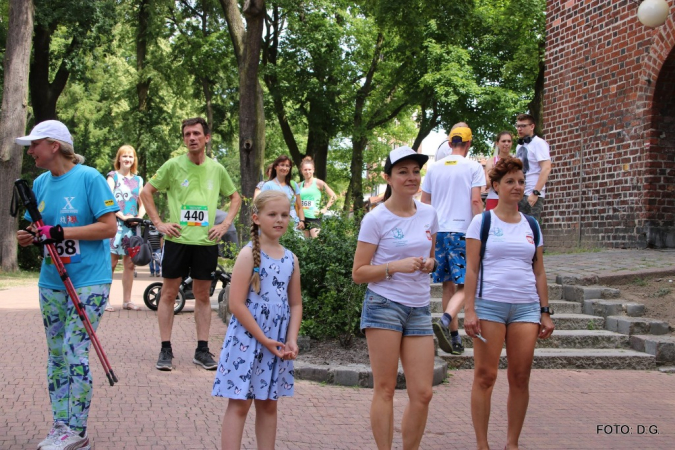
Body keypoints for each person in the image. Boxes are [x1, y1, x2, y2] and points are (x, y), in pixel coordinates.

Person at [15, 120, 118, 450]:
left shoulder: (89, 178)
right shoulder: (41, 182)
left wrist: (62, 233)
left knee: (75, 352)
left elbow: (108, 228)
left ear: (54, 146)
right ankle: (61, 425)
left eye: (35, 145)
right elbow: (39, 227)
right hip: (51, 282)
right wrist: (30, 236)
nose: (30, 151)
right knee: (57, 355)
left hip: (89, 281)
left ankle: (77, 430)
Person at [463, 156, 555, 450]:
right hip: (489, 305)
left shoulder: (532, 225)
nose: (517, 187)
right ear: (495, 186)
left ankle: (512, 443)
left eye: (520, 181)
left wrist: (545, 311)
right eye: (510, 182)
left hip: (526, 308)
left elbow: (539, 270)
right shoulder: (482, 222)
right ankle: (481, 443)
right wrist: (469, 309)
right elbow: (472, 268)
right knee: (486, 376)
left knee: (520, 376)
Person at [352, 147, 439, 450]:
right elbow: (359, 273)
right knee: (386, 389)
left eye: (415, 171)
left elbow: (431, 256)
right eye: (403, 172)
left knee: (423, 393)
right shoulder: (376, 219)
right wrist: (393, 267)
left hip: (419, 309)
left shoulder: (429, 213)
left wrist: (432, 264)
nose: (411, 177)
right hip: (384, 306)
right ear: (388, 178)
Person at [140, 117, 242, 371]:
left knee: (202, 296)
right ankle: (165, 350)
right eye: (187, 134)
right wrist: (158, 223)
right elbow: (146, 192)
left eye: (196, 133)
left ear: (207, 138)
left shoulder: (216, 169)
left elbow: (235, 197)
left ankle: (202, 350)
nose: (192, 138)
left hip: (205, 242)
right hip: (176, 240)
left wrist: (225, 224)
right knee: (168, 293)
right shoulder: (173, 166)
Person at [213, 190, 302, 450]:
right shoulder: (248, 254)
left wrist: (292, 339)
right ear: (256, 217)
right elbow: (236, 304)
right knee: (239, 403)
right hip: (248, 340)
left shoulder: (291, 259)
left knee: (268, 403)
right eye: (272, 214)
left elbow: (295, 304)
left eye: (285, 214)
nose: (279, 219)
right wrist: (263, 339)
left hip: (276, 344)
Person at [421, 126, 485, 355]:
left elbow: (425, 203)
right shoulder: (474, 167)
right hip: (462, 231)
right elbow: (476, 201)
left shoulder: (434, 168)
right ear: (468, 144)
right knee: (467, 283)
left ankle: (454, 338)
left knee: (448, 284)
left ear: (449, 144)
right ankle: (446, 319)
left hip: (438, 232)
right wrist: (482, 230)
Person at [106, 145, 146, 310]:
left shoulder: (138, 180)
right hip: (114, 224)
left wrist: (139, 218)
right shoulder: (112, 177)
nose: (128, 159)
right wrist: (122, 216)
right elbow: (107, 201)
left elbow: (143, 203)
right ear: (119, 158)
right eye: (125, 156)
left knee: (130, 264)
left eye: (131, 156)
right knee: (111, 263)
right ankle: (105, 300)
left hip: (132, 227)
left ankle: (127, 300)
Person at [514, 113, 551, 224]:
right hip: (520, 192)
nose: (519, 129)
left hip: (532, 192)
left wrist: (536, 192)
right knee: (520, 228)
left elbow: (546, 168)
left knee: (532, 229)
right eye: (518, 126)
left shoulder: (539, 143)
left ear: (532, 126)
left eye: (523, 126)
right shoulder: (519, 146)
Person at [261, 155, 306, 231]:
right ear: (276, 167)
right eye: (282, 165)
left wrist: (302, 221)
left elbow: (300, 206)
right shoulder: (268, 185)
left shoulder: (293, 185)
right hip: (275, 225)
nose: (285, 168)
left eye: (287, 166)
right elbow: (261, 207)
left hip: (293, 224)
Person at [299, 156, 337, 238]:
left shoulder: (319, 183)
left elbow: (333, 196)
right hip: (302, 218)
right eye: (305, 169)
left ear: (313, 170)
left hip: (314, 217)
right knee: (305, 246)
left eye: (309, 169)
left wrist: (324, 209)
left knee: (317, 243)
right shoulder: (299, 185)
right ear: (302, 171)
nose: (307, 171)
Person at [484, 131, 514, 211]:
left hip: (511, 200)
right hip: (494, 198)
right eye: (503, 141)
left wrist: (496, 175)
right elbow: (488, 182)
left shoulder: (515, 161)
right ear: (497, 143)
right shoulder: (491, 161)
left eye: (509, 141)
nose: (506, 143)